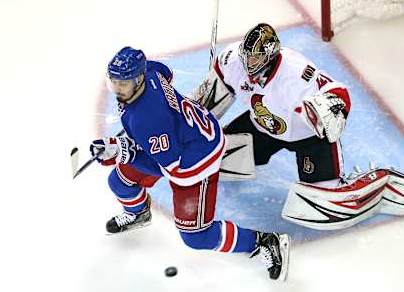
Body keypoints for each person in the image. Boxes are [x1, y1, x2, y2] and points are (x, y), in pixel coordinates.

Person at [190, 23, 404, 230]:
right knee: (214, 154)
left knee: (321, 204)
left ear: (270, 55)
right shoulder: (232, 61)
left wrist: (329, 110)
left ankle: (382, 183)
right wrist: (188, 123)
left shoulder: (295, 74)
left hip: (308, 138)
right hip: (262, 127)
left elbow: (337, 93)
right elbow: (204, 102)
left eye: (256, 58)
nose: (249, 63)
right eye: (247, 56)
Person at [89, 46, 290, 281]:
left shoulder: (147, 120)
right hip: (185, 135)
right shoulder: (151, 74)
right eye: (113, 81)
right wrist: (125, 147)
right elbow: (165, 73)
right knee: (119, 182)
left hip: (195, 162)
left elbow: (167, 168)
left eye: (122, 84)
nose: (116, 89)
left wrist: (124, 153)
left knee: (197, 237)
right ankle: (138, 214)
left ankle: (264, 241)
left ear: (138, 79)